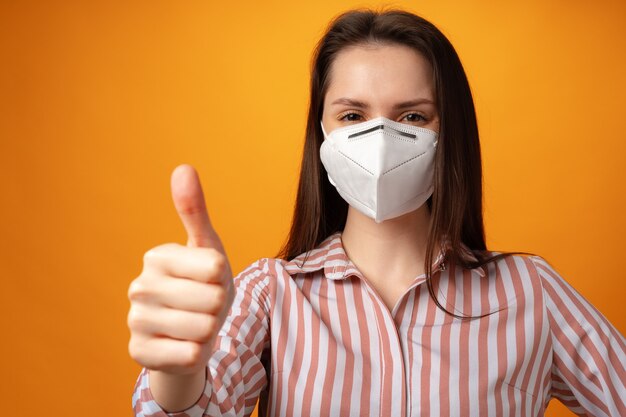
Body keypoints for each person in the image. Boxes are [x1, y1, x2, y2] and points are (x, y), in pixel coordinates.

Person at [128, 8, 626, 417]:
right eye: (352, 116)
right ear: (321, 135)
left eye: (412, 116)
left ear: (448, 132)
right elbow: (196, 407)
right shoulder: (270, 293)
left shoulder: (529, 290)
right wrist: (178, 370)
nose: (381, 139)